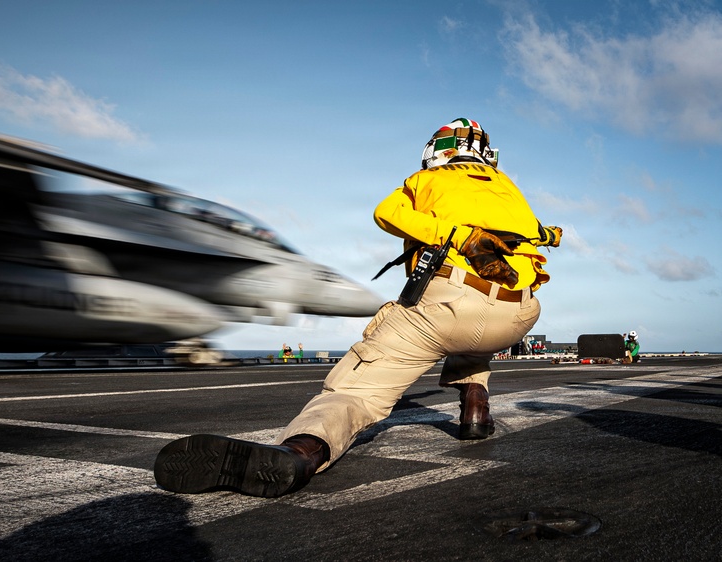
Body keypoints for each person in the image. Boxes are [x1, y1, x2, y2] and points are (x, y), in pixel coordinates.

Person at [154, 118, 562, 498]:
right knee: (473, 340)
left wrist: (456, 234)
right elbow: (541, 234)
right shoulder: (508, 187)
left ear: (439, 150)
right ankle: (476, 408)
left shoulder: (428, 179)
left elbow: (386, 213)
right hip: (519, 314)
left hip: (449, 305)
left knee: (357, 392)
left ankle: (301, 450)